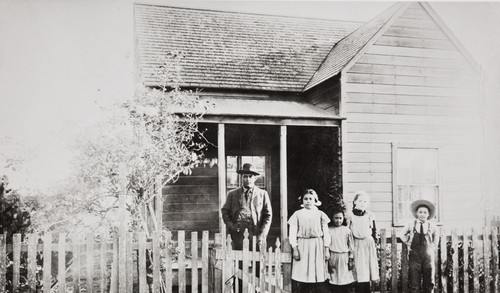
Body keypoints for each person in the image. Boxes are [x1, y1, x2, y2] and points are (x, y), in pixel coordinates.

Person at [221, 163, 272, 250]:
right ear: (242, 177)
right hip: (238, 232)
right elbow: (225, 211)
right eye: (245, 176)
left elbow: (268, 215)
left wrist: (262, 234)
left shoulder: (262, 194)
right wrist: (231, 227)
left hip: (256, 231)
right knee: (239, 260)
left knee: (257, 261)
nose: (248, 179)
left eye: (250, 176)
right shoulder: (232, 194)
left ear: (255, 178)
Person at [288, 189, 331, 293]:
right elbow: (292, 233)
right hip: (303, 245)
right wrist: (295, 248)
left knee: (317, 274)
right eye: (305, 199)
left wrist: (326, 248)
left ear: (315, 200)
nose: (308, 201)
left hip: (317, 245)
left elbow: (326, 233)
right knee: (303, 274)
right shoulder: (297, 214)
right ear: (302, 200)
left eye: (310, 199)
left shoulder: (321, 214)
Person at [401, 199, 439, 293]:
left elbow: (436, 238)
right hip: (415, 256)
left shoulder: (432, 226)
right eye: (420, 212)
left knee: (429, 281)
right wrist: (408, 242)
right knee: (414, 281)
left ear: (428, 214)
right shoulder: (411, 224)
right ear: (416, 213)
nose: (422, 214)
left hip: (428, 257)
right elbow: (402, 234)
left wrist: (432, 247)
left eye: (425, 212)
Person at [345, 191, 379, 293]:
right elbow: (347, 231)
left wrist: (375, 242)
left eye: (365, 201)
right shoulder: (350, 215)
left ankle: (367, 290)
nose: (362, 203)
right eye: (360, 201)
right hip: (356, 244)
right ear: (355, 202)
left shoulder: (370, 215)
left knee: (367, 269)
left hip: (367, 244)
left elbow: (374, 230)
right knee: (358, 269)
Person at [327, 207, 354, 293]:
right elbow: (327, 245)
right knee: (334, 279)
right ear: (332, 218)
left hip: (344, 257)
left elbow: (351, 245)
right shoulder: (329, 230)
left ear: (343, 218)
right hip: (333, 256)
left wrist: (350, 258)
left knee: (345, 280)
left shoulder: (347, 230)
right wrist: (328, 261)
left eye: (340, 218)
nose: (338, 220)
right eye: (336, 218)